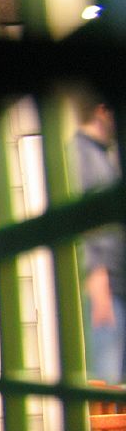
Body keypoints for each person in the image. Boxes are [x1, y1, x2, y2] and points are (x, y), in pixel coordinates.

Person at [69, 93, 124, 384]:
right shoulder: (81, 153)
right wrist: (97, 276)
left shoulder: (105, 154)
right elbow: (86, 220)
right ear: (102, 110)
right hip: (105, 287)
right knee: (106, 381)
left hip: (116, 284)